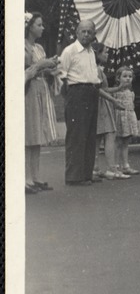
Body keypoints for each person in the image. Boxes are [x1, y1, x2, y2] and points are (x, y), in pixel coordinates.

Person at [59, 19, 102, 185]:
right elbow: (61, 75)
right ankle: (74, 176)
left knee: (90, 134)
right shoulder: (70, 51)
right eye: (83, 31)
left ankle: (86, 174)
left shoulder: (91, 52)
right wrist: (71, 97)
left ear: (93, 34)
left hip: (91, 92)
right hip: (77, 93)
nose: (86, 34)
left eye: (89, 32)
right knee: (77, 135)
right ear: (77, 33)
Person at [24, 12, 60, 193]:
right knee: (29, 133)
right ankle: (26, 178)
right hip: (28, 91)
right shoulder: (22, 47)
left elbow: (41, 70)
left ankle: (35, 176)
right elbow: (26, 72)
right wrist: (42, 65)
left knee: (37, 133)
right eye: (39, 24)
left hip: (40, 90)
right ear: (29, 26)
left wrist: (50, 69)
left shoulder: (39, 47)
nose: (42, 28)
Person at [94, 53, 127, 180]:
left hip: (100, 104)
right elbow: (99, 90)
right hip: (102, 105)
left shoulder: (97, 69)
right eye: (105, 51)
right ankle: (112, 168)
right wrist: (113, 101)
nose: (107, 54)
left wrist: (118, 88)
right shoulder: (97, 70)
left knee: (98, 136)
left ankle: (95, 167)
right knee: (110, 134)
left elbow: (105, 89)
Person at [112, 66, 140, 176]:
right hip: (120, 117)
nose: (128, 78)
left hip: (128, 116)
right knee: (118, 142)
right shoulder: (116, 92)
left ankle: (125, 165)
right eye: (124, 76)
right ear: (118, 78)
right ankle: (116, 165)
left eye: (130, 76)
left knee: (125, 142)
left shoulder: (131, 92)